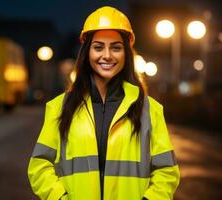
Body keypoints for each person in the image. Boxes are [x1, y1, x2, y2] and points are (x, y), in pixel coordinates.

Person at [28, 6, 180, 200]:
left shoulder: (150, 110)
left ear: (126, 53)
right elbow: (39, 166)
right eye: (98, 47)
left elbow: (167, 172)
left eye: (116, 47)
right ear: (87, 52)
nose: (107, 55)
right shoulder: (59, 107)